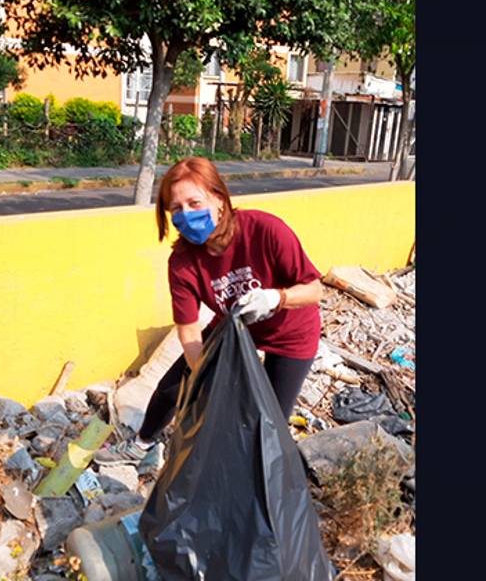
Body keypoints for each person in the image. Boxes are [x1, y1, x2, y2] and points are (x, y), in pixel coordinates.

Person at [96, 157, 323, 466]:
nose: (187, 215)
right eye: (176, 209)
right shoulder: (183, 263)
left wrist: (276, 298)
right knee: (173, 386)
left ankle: (251, 479)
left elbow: (315, 290)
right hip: (234, 330)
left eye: (194, 202)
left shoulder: (265, 230)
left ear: (219, 199)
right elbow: (189, 330)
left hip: (291, 334)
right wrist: (205, 376)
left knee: (268, 421)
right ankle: (142, 444)